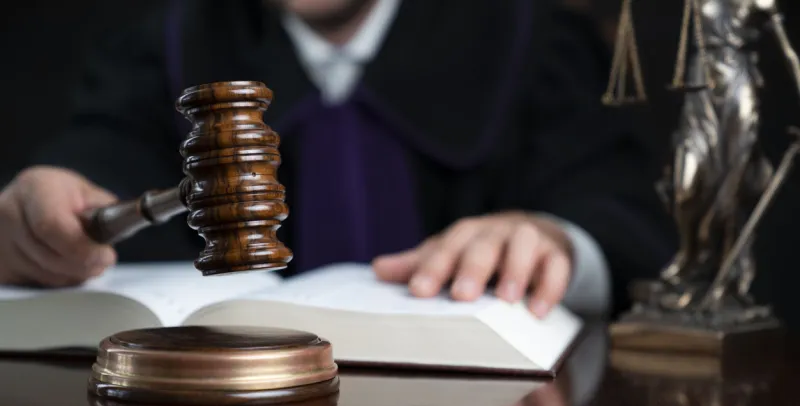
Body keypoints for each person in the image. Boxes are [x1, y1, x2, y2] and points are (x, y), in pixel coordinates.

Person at [0, 0, 673, 318]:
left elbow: (624, 214)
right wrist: (41, 211)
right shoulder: (163, 50)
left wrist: (554, 238)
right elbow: (92, 166)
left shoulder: (536, 43)